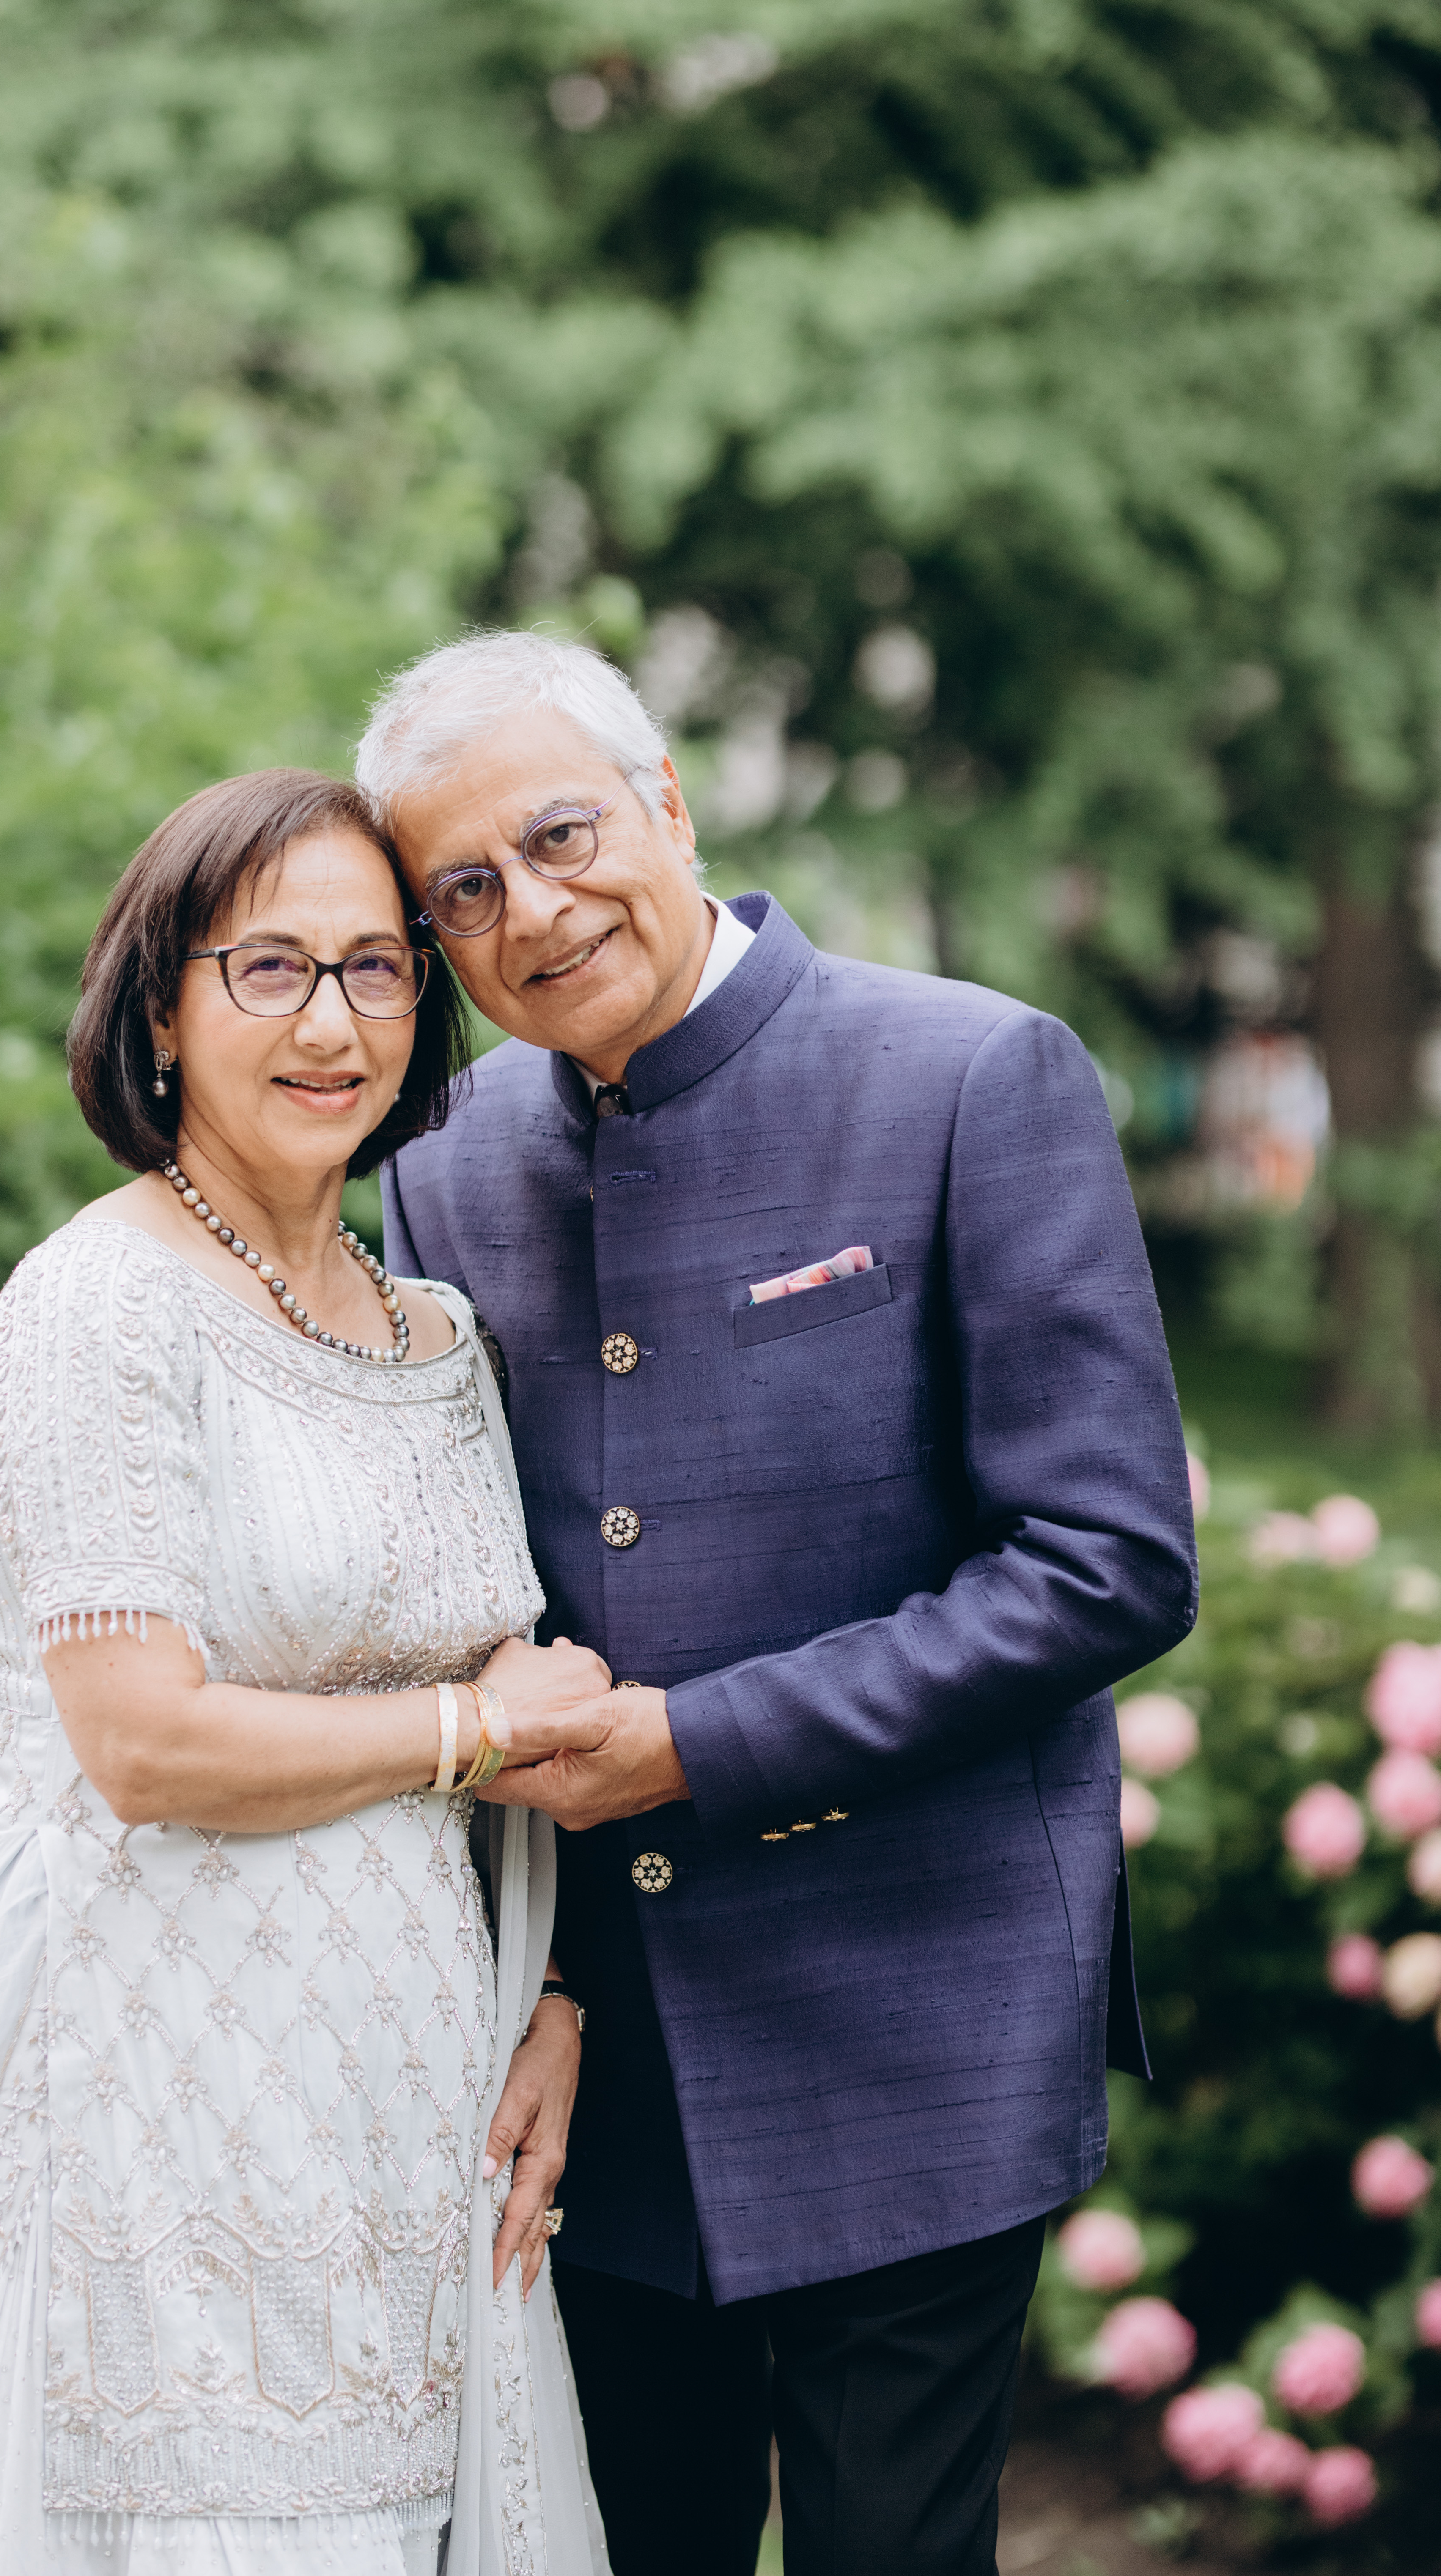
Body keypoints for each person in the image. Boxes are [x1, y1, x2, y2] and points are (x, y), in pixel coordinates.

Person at [355, 631, 1200, 2576]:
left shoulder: (971, 1072)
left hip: (922, 2002)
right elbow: (465, 1570)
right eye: (462, 890)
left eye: (559, 836)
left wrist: (692, 1743)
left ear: (664, 802)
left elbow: (1106, 1558)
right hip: (598, 2050)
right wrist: (541, 1973)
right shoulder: (447, 1167)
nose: (530, 911)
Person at [0, 768, 612, 2576]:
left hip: (403, 2072)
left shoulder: (436, 1331)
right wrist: (476, 1724)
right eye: (268, 966)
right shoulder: (97, 1304)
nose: (330, 1022)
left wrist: (558, 1982)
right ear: (162, 1008)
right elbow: (143, 1742)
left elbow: (487, 1643)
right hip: (152, 2053)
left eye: (373, 968)